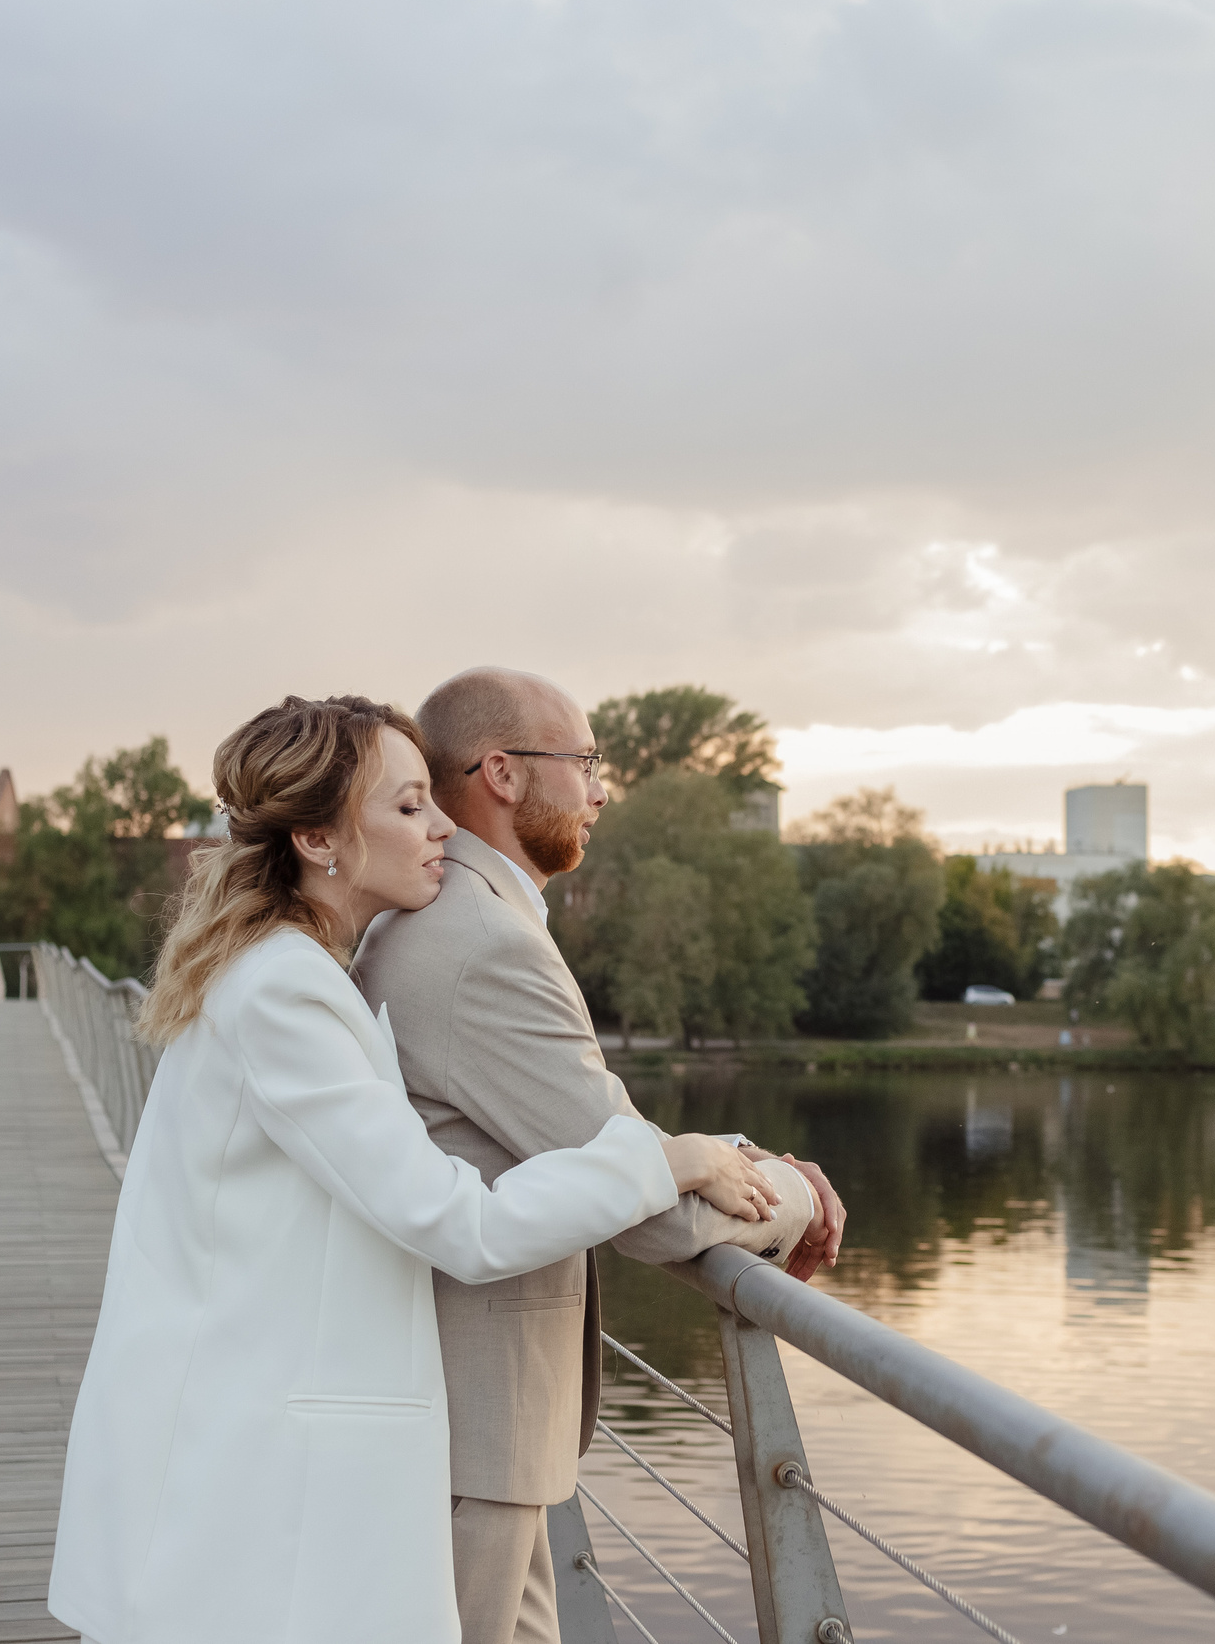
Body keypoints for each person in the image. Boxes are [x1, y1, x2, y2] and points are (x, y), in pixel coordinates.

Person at [46, 696, 785, 1644]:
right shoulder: (284, 994)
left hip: (252, 1422)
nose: (442, 825)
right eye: (407, 807)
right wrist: (665, 1157)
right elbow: (461, 1225)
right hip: (249, 1448)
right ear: (320, 837)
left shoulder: (298, 969)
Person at [352, 666, 849, 1644]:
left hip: (470, 1425)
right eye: (583, 761)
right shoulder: (476, 941)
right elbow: (651, 1206)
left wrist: (729, 1151)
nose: (600, 789)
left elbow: (604, 1140)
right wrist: (793, 1193)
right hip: (473, 1432)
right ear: (501, 772)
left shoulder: (444, 920)